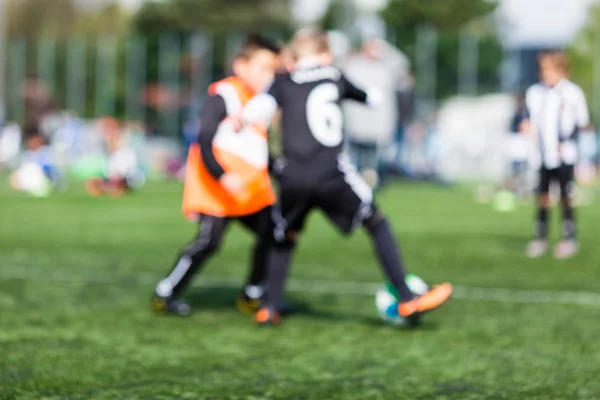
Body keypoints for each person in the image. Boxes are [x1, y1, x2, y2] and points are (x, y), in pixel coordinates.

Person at [239, 29, 453, 326]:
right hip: (331, 174)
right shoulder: (333, 75)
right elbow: (372, 98)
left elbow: (255, 112)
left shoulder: (283, 81)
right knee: (376, 222)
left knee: (284, 236)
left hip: (293, 177)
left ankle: (269, 307)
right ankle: (406, 297)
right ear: (325, 55)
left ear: (295, 58)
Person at [152, 35, 281, 316]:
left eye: (273, 69)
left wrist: (280, 169)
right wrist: (222, 175)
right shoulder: (224, 94)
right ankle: (166, 292)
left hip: (249, 191)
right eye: (263, 68)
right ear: (241, 66)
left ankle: (253, 292)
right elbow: (205, 139)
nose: (268, 75)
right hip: (218, 188)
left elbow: (256, 146)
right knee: (208, 242)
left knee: (273, 232)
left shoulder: (260, 103)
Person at [522, 51, 591, 259]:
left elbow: (582, 122)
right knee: (543, 196)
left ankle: (568, 237)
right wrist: (526, 126)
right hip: (542, 155)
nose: (546, 74)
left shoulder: (571, 93)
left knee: (565, 195)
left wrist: (568, 141)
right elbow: (528, 117)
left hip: (564, 155)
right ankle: (540, 237)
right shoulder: (535, 92)